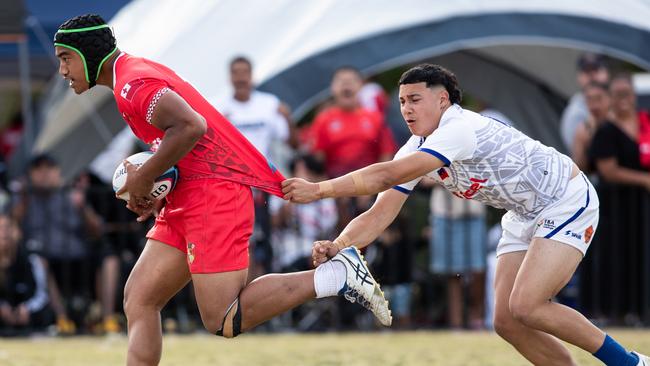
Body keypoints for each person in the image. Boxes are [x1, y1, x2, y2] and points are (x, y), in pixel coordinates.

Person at [54, 14, 389, 365]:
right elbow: (186, 144)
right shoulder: (129, 77)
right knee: (139, 297)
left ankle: (337, 275)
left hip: (214, 196)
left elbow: (190, 126)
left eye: (66, 58)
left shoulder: (133, 83)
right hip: (189, 195)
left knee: (223, 319)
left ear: (90, 52)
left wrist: (144, 177)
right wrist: (159, 187)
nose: (63, 70)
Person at [283, 63, 649, 366]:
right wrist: (339, 245)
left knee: (527, 304)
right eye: (401, 102)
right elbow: (381, 212)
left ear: (442, 100)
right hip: (524, 212)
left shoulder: (458, 128)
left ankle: (630, 363)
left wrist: (319, 189)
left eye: (415, 100)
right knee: (506, 320)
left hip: (566, 198)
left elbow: (385, 174)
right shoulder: (417, 145)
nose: (406, 110)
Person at [210, 56, 296, 280]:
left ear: (251, 75)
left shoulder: (268, 104)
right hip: (231, 184)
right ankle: (239, 293)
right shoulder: (219, 106)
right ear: (230, 77)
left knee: (263, 241)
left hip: (263, 184)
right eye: (236, 73)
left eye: (244, 72)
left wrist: (288, 118)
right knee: (238, 242)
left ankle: (262, 294)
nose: (240, 78)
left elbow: (290, 140)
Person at [0, 213, 52, 335]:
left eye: (8, 227)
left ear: (18, 232)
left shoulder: (31, 258)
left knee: (45, 314)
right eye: (0, 229)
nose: (4, 233)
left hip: (27, 313)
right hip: (3, 314)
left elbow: (42, 294)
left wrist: (27, 308)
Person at [560, 53, 610, 151]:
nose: (592, 75)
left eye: (596, 70)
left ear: (606, 73)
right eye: (586, 71)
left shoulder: (620, 101)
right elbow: (577, 155)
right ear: (579, 77)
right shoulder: (575, 113)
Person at [572, 82, 613, 173]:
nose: (594, 105)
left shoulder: (620, 124)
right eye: (589, 99)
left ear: (609, 98)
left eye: (599, 98)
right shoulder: (583, 130)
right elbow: (579, 167)